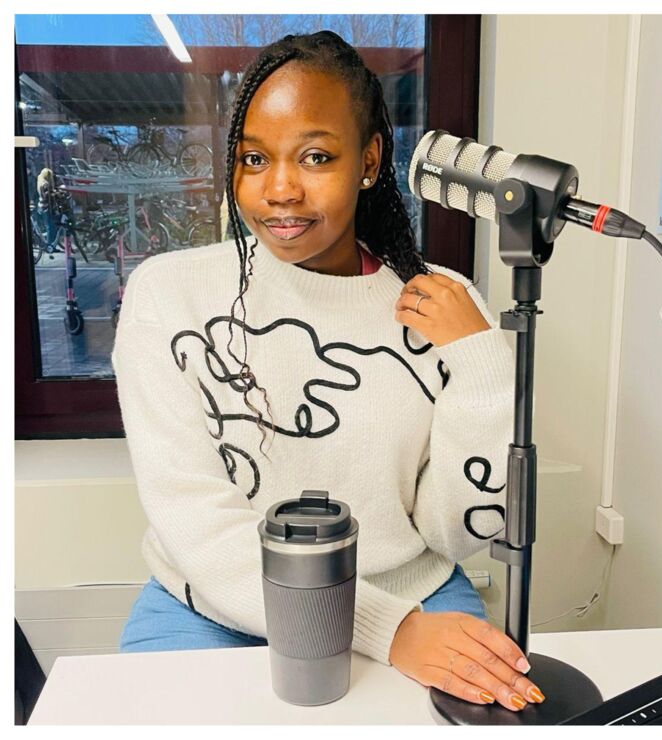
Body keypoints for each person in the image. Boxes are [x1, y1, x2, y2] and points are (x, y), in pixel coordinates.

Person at [112, 30, 545, 713]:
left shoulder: (441, 303)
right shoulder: (170, 296)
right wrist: (386, 630)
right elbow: (196, 523)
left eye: (316, 156)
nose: (279, 189)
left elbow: (456, 532)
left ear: (370, 161)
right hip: (212, 607)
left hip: (414, 592)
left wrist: (486, 362)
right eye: (255, 158)